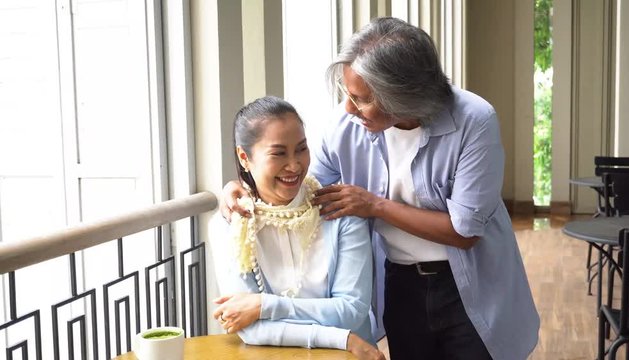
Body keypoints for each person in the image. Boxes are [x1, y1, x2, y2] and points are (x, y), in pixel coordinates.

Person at [224, 17, 541, 360]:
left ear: (401, 95)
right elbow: (302, 190)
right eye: (347, 94)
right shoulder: (343, 126)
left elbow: (465, 231)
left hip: (474, 282)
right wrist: (244, 184)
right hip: (400, 282)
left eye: (360, 98)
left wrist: (375, 206)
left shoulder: (474, 120)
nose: (349, 107)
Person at [211, 96, 385, 360]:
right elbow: (250, 329)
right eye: (279, 153)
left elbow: (351, 311)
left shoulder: (340, 213)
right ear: (244, 157)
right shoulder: (230, 227)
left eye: (301, 149)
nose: (294, 165)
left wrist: (263, 305)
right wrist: (343, 338)